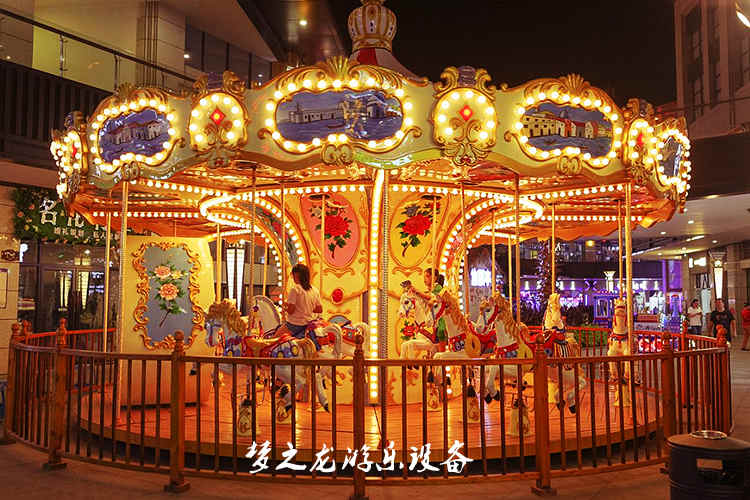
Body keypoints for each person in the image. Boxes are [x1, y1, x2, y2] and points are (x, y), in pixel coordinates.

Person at [281, 264, 323, 349]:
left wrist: (285, 307)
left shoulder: (295, 289)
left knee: (273, 340)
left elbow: (291, 311)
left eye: (293, 275)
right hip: (308, 324)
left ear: (297, 275)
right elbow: (319, 309)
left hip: (294, 325)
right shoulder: (314, 290)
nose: (293, 277)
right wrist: (308, 308)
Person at [410, 268, 447, 351]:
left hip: (440, 315)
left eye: (427, 276)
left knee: (440, 329)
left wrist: (417, 292)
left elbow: (431, 298)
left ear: (434, 277)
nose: (424, 279)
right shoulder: (430, 290)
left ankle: (442, 348)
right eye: (424, 277)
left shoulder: (438, 287)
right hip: (432, 316)